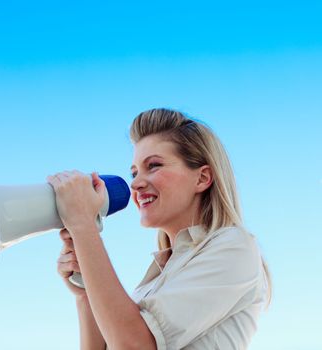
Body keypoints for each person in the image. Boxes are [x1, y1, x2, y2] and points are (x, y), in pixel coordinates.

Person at [47, 108, 271, 350]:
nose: (135, 183)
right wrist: (85, 294)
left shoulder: (234, 247)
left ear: (202, 178)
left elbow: (134, 345)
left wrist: (83, 225)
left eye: (153, 165)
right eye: (134, 172)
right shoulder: (156, 279)